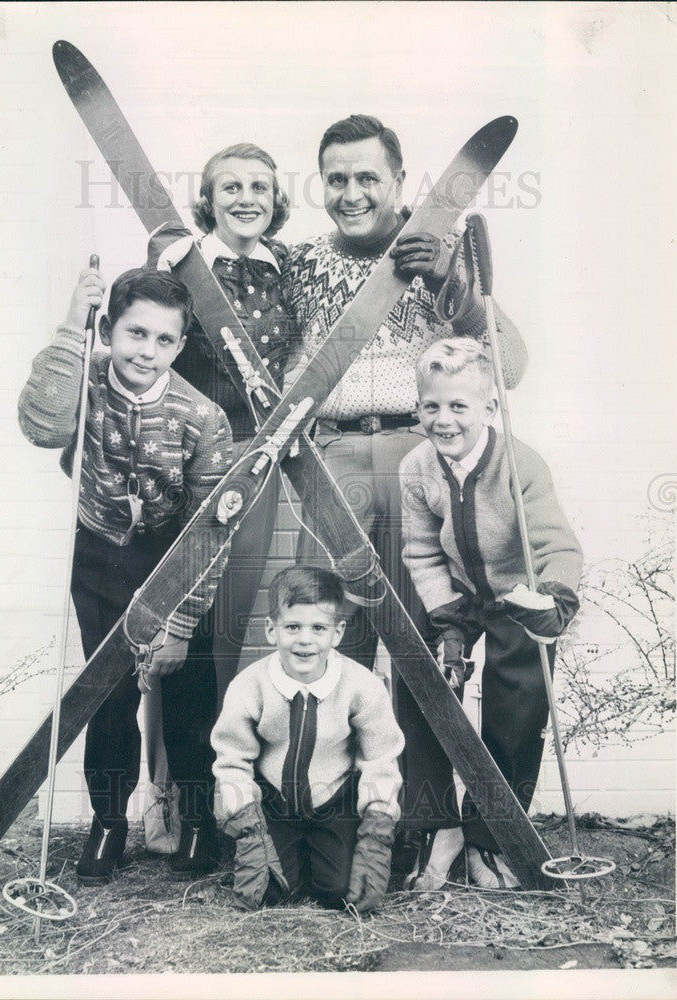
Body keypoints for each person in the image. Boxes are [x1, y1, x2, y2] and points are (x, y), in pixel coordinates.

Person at [284, 113, 529, 877]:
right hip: (329, 463)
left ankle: (424, 821)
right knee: (327, 643)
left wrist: (453, 278)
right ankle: (338, 820)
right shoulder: (296, 266)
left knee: (423, 646)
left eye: (369, 178)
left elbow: (508, 366)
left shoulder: (433, 256)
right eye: (337, 178)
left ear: (399, 182)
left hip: (421, 460)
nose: (353, 193)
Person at [18, 267, 233, 882]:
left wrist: (182, 622)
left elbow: (211, 531)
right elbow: (41, 427)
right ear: (109, 329)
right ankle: (109, 821)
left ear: (180, 345)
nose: (147, 351)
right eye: (135, 333)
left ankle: (196, 822)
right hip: (102, 560)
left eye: (164, 341)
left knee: (191, 698)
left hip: (178, 560)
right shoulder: (81, 381)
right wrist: (68, 327)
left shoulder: (202, 416)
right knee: (108, 699)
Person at [141, 143, 298, 856]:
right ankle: (172, 807)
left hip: (258, 465)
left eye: (258, 187)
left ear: (275, 198)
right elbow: (143, 339)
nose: (245, 198)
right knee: (180, 635)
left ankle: (226, 808)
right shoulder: (180, 266)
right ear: (207, 198)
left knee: (230, 631)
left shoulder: (287, 270)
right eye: (229, 186)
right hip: (189, 463)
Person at [399, 338, 582, 888]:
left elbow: (559, 546)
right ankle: (438, 825)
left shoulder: (520, 463)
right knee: (421, 685)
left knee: (516, 707)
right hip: (459, 594)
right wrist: (447, 618)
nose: (445, 420)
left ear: (489, 408)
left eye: (459, 406)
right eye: (432, 406)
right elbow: (423, 549)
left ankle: (491, 837)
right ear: (418, 408)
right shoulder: (416, 466)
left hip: (519, 596)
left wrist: (553, 599)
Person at [211, 566, 404, 912]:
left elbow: (381, 760)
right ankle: (284, 852)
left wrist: (376, 832)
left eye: (318, 628)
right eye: (292, 627)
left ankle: (329, 852)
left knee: (340, 891)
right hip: (275, 804)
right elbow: (231, 761)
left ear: (338, 632)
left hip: (334, 803)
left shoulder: (362, 685)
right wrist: (248, 830)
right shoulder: (249, 685)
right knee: (269, 892)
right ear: (271, 630)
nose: (305, 640)